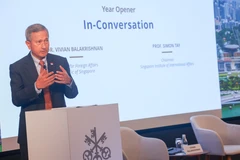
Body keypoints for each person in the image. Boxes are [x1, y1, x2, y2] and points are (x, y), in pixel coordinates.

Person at [9, 23, 78, 160]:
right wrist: (36, 86)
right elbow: (16, 99)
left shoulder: (60, 61)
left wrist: (69, 82)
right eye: (39, 41)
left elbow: (72, 94)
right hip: (32, 132)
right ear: (28, 44)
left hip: (59, 129)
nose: (44, 45)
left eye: (46, 40)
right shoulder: (17, 67)